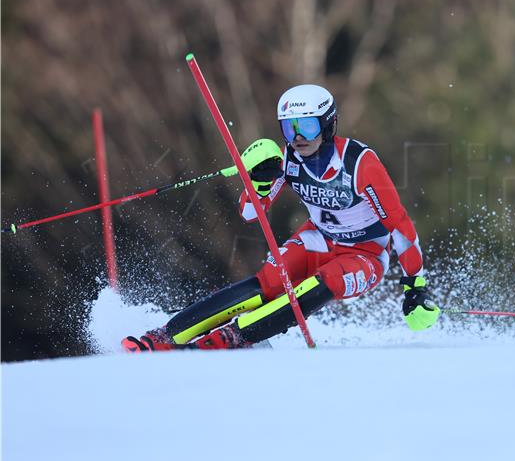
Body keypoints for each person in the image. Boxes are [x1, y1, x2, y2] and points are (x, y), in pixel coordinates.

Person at [123, 84, 440, 351]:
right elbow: (250, 213)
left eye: (308, 127)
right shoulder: (286, 158)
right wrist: (258, 183)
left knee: (326, 280)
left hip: (366, 254)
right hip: (319, 239)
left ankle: (231, 338)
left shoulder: (359, 163)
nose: (298, 137)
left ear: (328, 125)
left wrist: (416, 286)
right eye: (290, 128)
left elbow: (400, 225)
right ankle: (166, 335)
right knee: (270, 283)